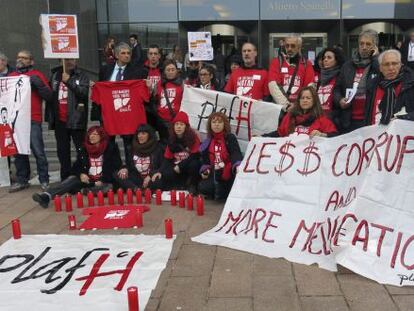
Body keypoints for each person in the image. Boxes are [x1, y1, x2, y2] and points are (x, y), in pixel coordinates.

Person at [32, 126, 122, 208]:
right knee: (71, 180)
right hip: (88, 180)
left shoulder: (111, 148)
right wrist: (81, 174)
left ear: (101, 136)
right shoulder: (84, 148)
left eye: (95, 134)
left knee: (108, 188)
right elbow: (76, 167)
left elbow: (115, 166)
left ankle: (84, 190)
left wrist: (102, 180)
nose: (92, 136)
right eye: (90, 134)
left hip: (104, 181)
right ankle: (46, 196)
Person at [91, 42, 148, 163]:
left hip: (127, 114)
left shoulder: (137, 72)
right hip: (109, 114)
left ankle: (130, 171)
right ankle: (112, 172)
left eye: (128, 53)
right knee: (108, 144)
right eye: (123, 53)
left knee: (129, 145)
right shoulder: (105, 69)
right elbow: (101, 89)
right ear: (116, 55)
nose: (127, 55)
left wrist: (147, 86)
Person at [8, 50, 52, 192]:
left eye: (24, 58)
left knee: (38, 151)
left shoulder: (37, 75)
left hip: (33, 119)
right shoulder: (11, 76)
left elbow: (49, 96)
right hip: (16, 120)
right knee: (19, 152)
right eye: (19, 57)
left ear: (31, 61)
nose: (20, 59)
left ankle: (44, 179)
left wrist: (38, 84)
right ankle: (22, 180)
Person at [47, 59, 90, 181]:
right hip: (60, 120)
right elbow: (51, 96)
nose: (69, 62)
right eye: (66, 59)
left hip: (76, 119)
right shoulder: (55, 75)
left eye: (72, 59)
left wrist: (69, 81)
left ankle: (82, 174)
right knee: (62, 151)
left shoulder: (81, 76)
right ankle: (65, 177)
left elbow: (83, 93)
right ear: (61, 61)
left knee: (81, 149)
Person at [334, 29, 379, 133]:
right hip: (348, 120)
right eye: (361, 43)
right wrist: (340, 100)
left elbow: (382, 77)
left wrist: (375, 57)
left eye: (368, 44)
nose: (364, 47)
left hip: (369, 121)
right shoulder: (347, 66)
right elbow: (337, 89)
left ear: (375, 46)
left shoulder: (378, 65)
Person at [199, 112, 242, 201]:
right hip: (214, 171)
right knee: (203, 187)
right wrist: (205, 170)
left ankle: (223, 192)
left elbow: (235, 153)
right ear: (210, 125)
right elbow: (205, 160)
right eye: (214, 122)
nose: (217, 124)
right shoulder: (208, 140)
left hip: (228, 171)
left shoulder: (230, 137)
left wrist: (237, 165)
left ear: (224, 124)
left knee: (232, 186)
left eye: (220, 122)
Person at [365, 49, 414, 125]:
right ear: (380, 68)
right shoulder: (372, 85)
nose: (391, 68)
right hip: (374, 134)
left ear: (401, 65)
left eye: (394, 63)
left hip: (402, 134)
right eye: (386, 64)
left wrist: (401, 118)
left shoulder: (411, 84)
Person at [264, 86, 337, 137]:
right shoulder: (290, 116)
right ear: (298, 100)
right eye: (302, 98)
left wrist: (322, 135)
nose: (305, 100)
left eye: (308, 98)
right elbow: (279, 133)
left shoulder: (321, 119)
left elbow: (334, 135)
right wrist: (261, 137)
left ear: (314, 100)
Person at [268, 34, 315, 109]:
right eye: (287, 46)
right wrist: (287, 106)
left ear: (299, 47)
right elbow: (273, 85)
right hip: (281, 108)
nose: (289, 49)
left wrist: (298, 106)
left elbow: (309, 87)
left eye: (293, 46)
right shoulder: (276, 62)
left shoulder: (307, 64)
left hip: (300, 109)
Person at [157, 111, 200, 193]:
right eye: (176, 124)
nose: (178, 127)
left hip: (187, 165)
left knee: (195, 164)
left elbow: (195, 155)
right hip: (176, 166)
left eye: (181, 124)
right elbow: (167, 158)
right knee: (166, 173)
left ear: (186, 126)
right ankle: (177, 185)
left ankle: (193, 185)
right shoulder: (171, 139)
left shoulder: (193, 138)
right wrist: (160, 171)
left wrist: (180, 165)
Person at [115, 124, 164, 191]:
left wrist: (150, 175)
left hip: (151, 178)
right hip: (137, 179)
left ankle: (146, 190)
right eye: (138, 134)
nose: (140, 136)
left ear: (149, 135)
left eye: (143, 133)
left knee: (158, 179)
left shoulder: (158, 148)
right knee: (118, 174)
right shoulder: (131, 148)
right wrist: (125, 168)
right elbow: (128, 165)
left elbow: (162, 166)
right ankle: (136, 189)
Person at [154, 59, 184, 141]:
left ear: (176, 71)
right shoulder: (159, 84)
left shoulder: (182, 84)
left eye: (173, 69)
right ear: (164, 71)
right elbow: (154, 100)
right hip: (162, 121)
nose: (170, 72)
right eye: (168, 70)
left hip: (177, 121)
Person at [316, 48, 345, 126]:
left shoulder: (341, 77)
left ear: (336, 60)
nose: (325, 60)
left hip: (334, 122)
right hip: (319, 121)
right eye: (324, 58)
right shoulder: (321, 78)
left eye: (329, 57)